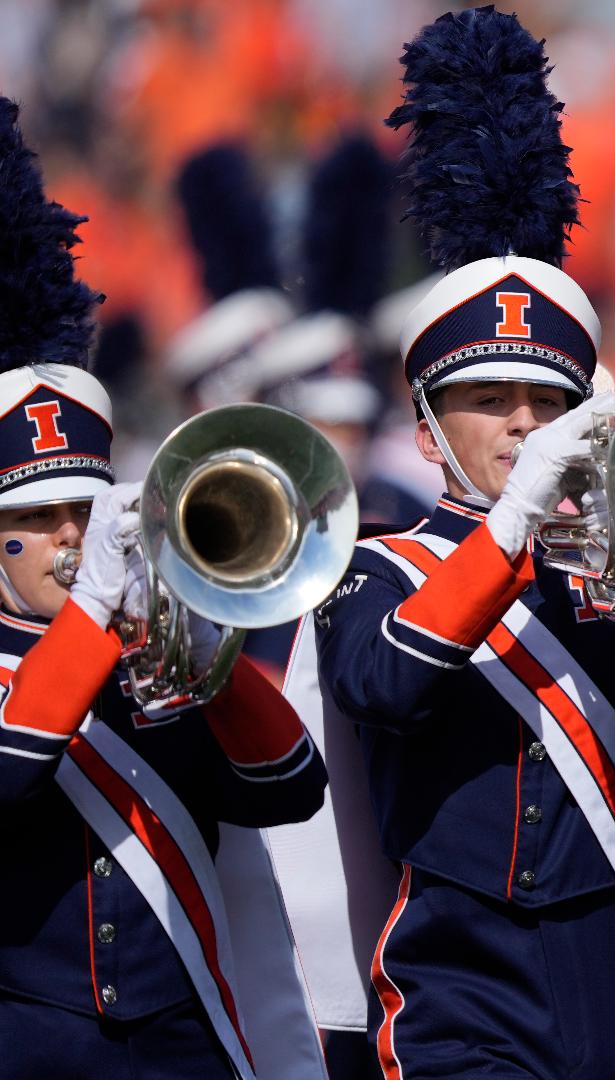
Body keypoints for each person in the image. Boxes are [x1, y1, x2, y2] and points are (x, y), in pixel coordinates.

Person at [308, 10, 615, 1077]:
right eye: (489, 399)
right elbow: (384, 684)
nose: (525, 423)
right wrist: (512, 524)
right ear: (425, 428)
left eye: (548, 397)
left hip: (613, 984)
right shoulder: (376, 567)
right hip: (451, 994)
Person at [0, 97, 328, 1079]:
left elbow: (288, 790)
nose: (71, 536)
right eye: (41, 518)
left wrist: (208, 640)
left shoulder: (149, 642)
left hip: (188, 1039)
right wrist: (98, 612)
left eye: (83, 510)